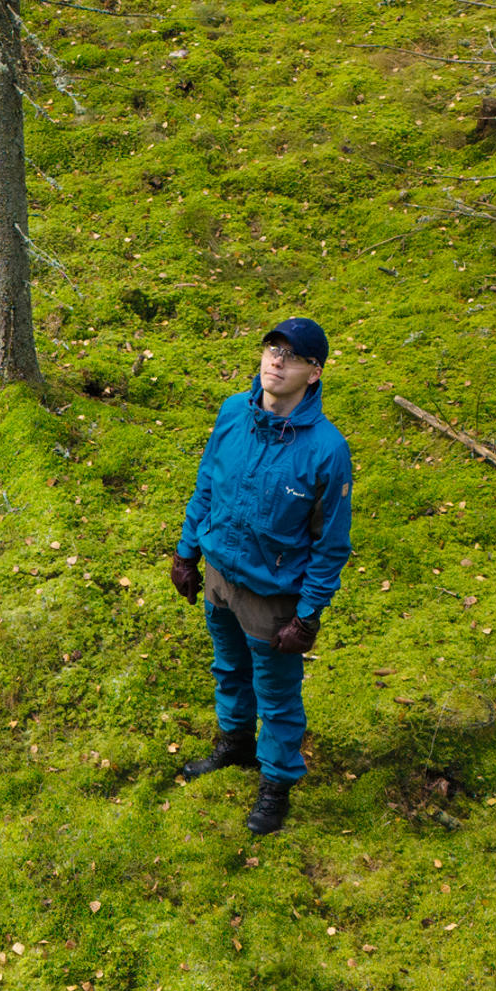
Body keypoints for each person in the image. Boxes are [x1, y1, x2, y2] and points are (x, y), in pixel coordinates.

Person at [168, 318, 353, 835]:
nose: (276, 360)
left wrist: (309, 615)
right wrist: (186, 554)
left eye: (292, 356)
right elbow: (207, 485)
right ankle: (234, 746)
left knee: (276, 693)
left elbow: (331, 544)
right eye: (272, 348)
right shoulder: (232, 414)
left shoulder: (326, 450)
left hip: (273, 598)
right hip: (219, 577)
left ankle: (276, 782)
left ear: (313, 374)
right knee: (228, 668)